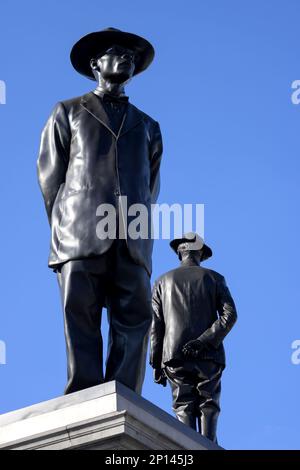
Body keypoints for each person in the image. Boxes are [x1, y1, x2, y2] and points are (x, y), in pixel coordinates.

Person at [37, 28, 163, 395]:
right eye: (116, 52)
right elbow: (50, 178)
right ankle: (85, 390)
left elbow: (150, 187)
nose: (126, 57)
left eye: (130, 54)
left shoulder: (148, 125)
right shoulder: (68, 111)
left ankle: (124, 392)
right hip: (79, 230)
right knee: (81, 313)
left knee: (135, 317)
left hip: (132, 237)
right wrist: (66, 223)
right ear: (96, 64)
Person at [150, 233, 237, 442]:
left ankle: (186, 447)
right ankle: (208, 446)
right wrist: (205, 340)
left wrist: (155, 361)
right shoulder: (214, 278)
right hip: (209, 354)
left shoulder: (162, 281)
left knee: (182, 404)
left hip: (174, 355)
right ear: (200, 254)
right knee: (209, 403)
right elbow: (230, 315)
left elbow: (155, 326)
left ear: (180, 252)